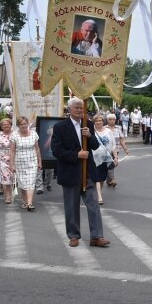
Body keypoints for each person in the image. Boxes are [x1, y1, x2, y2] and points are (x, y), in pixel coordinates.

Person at [50, 97, 110, 248]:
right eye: (76, 107)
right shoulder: (60, 127)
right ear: (69, 109)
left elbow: (96, 146)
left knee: (93, 204)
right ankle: (73, 235)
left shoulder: (88, 124)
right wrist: (76, 155)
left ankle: (97, 236)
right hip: (70, 171)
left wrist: (89, 136)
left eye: (81, 108)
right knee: (71, 205)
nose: (79, 110)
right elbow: (56, 151)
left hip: (87, 171)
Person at [9, 116, 42, 211]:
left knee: (31, 182)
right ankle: (25, 201)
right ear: (18, 125)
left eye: (25, 123)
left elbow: (37, 148)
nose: (23, 126)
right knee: (23, 183)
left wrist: (40, 161)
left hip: (32, 161)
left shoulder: (34, 134)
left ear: (28, 124)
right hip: (19, 162)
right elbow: (12, 151)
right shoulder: (14, 135)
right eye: (21, 124)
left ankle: (30, 203)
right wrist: (12, 164)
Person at [91, 113, 117, 206]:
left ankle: (98, 193)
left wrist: (116, 157)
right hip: (94, 159)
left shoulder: (108, 131)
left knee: (101, 178)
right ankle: (99, 197)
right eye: (97, 121)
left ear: (103, 121)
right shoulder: (91, 131)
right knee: (97, 178)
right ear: (94, 122)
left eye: (100, 120)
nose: (98, 122)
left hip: (106, 158)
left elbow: (113, 145)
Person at [0, 118, 15, 205]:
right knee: (5, 177)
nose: (6, 126)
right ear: (1, 126)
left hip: (14, 158)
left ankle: (12, 193)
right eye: (4, 125)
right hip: (2, 159)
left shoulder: (15, 134)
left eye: (7, 124)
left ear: (11, 125)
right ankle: (7, 196)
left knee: (13, 177)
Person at [105, 113, 129, 187]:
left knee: (111, 165)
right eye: (110, 119)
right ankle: (111, 179)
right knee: (109, 165)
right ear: (107, 120)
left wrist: (126, 149)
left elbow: (121, 139)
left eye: (113, 119)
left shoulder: (118, 128)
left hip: (116, 150)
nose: (112, 121)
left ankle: (110, 180)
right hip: (106, 150)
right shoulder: (104, 128)